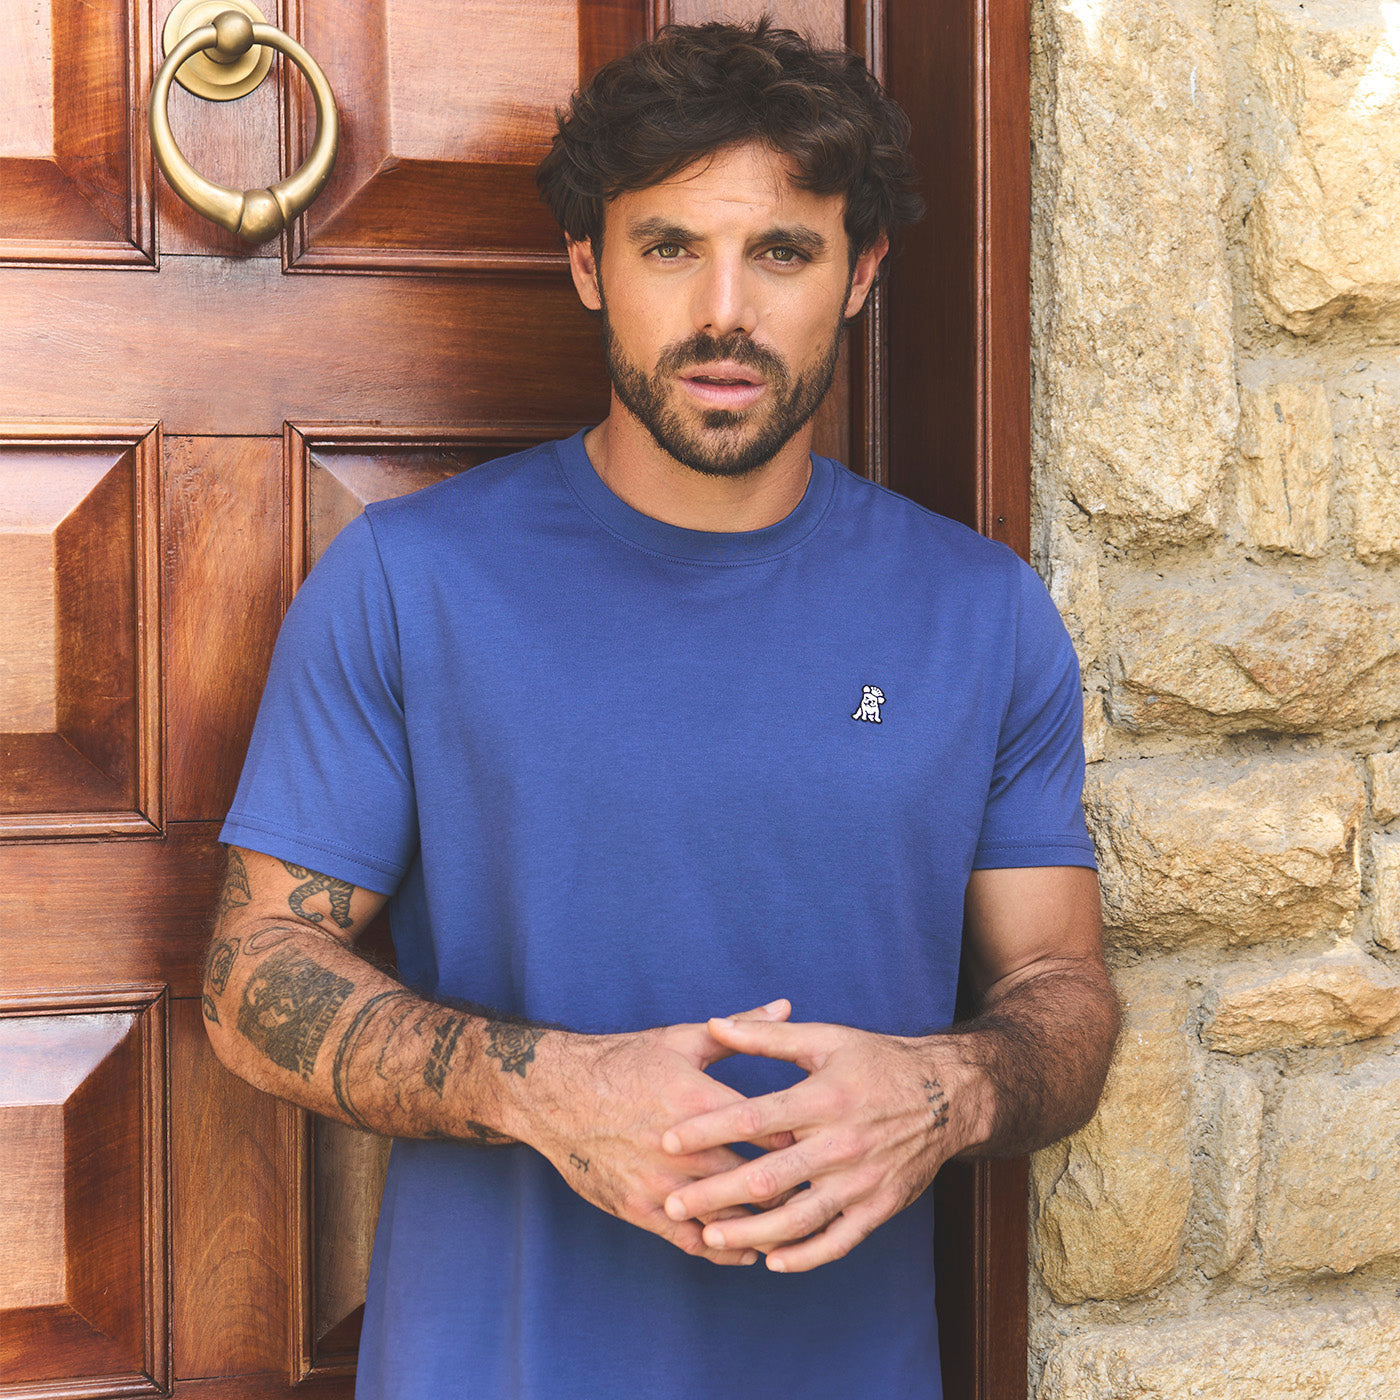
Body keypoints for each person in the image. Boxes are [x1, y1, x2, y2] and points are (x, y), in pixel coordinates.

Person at [204, 19, 1119, 1400]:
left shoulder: (980, 615)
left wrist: (951, 1095)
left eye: (784, 252)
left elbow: (1062, 991)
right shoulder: (407, 581)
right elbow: (250, 976)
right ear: (590, 265)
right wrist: (541, 1087)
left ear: (862, 273)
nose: (725, 312)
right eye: (669, 246)